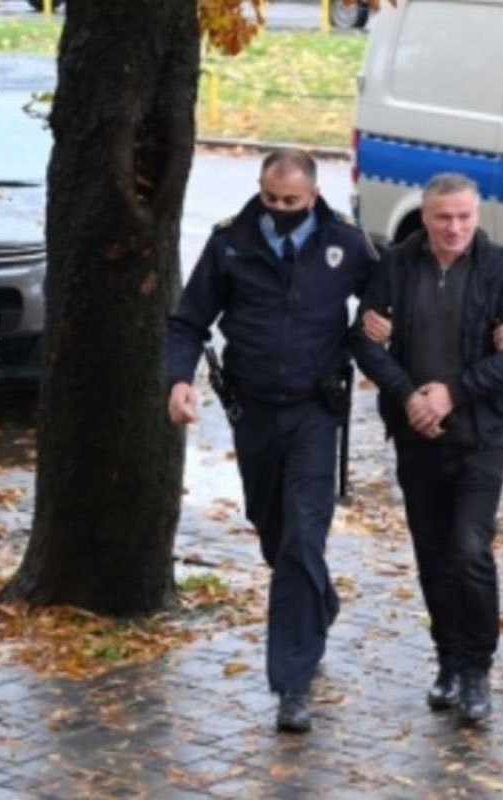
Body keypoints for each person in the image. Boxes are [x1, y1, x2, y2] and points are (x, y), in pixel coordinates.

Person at [166, 149, 376, 734]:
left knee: (304, 536)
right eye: (271, 198)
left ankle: (292, 685)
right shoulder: (231, 242)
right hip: (253, 409)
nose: (280, 209)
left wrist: (376, 324)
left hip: (315, 411)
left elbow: (387, 297)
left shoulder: (345, 243)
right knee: (274, 529)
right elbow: (188, 321)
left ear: (313, 195)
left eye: (292, 201)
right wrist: (178, 380)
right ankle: (318, 603)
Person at [351, 172, 503, 725]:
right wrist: (410, 397)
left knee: (469, 547)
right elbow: (364, 341)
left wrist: (451, 393)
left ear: (476, 215)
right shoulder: (396, 265)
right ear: (425, 216)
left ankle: (478, 666)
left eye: (463, 217)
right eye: (443, 218)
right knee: (433, 553)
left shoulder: (501, 267)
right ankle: (449, 660)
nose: (454, 228)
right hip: (416, 434)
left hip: (480, 435)